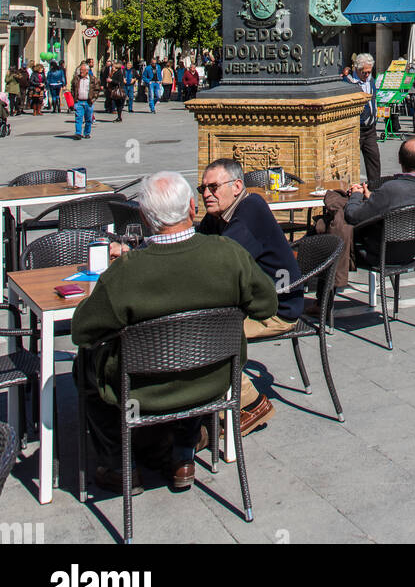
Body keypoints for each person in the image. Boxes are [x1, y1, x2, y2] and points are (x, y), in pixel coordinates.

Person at [72, 171, 278, 493]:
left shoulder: (125, 272)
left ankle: (119, 465)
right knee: (191, 360)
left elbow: (83, 331)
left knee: (85, 363)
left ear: (144, 216)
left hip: (142, 391)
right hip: (212, 381)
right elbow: (266, 305)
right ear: (193, 208)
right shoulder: (229, 255)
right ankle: (183, 456)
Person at [197, 158, 305, 434]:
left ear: (236, 186)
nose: (207, 194)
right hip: (246, 303)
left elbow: (219, 261)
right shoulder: (219, 216)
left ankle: (252, 402)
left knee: (205, 336)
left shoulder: (250, 210)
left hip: (275, 311)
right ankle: (205, 406)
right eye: (202, 189)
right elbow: (198, 248)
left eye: (212, 187)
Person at [345, 135, 415, 266]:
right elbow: (400, 201)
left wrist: (356, 195)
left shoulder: (391, 189)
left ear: (399, 160)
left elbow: (352, 216)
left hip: (379, 253)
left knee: (336, 226)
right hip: (411, 251)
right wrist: (372, 198)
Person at [344, 54, 381, 188]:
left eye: (369, 72)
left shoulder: (371, 80)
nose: (367, 75)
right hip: (356, 128)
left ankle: (375, 189)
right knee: (351, 161)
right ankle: (351, 189)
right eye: (364, 72)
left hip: (370, 128)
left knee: (374, 159)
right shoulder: (348, 82)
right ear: (357, 70)